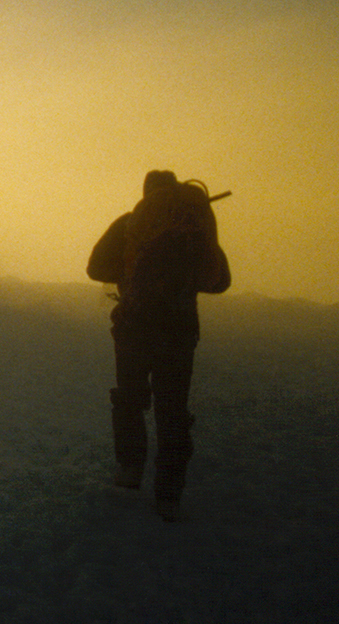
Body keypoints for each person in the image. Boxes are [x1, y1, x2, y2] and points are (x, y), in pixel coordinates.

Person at [87, 169, 231, 521]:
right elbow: (220, 281)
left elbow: (95, 268)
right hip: (180, 328)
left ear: (146, 192)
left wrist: (132, 270)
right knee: (173, 411)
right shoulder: (194, 224)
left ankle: (130, 471)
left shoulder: (131, 223)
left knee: (130, 397)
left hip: (134, 323)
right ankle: (169, 495)